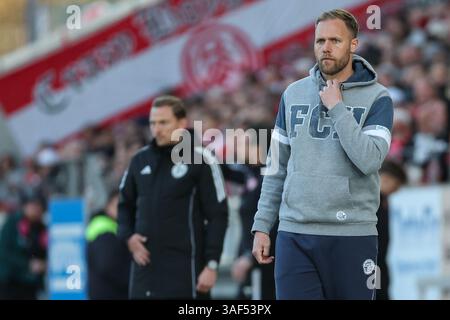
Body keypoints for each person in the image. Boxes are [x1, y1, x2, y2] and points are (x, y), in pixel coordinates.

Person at [252, 9, 394, 300]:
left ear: (353, 45)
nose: (325, 48)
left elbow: (369, 160)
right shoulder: (292, 94)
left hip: (352, 235)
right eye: (320, 41)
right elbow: (276, 166)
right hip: (294, 233)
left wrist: (337, 108)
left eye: (335, 40)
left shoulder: (378, 98)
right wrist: (262, 226)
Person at [118, 95, 228, 299]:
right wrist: (127, 237)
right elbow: (124, 206)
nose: (156, 129)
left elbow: (218, 215)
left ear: (182, 123)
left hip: (186, 270)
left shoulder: (201, 159)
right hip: (145, 270)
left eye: (163, 122)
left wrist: (212, 264)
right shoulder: (139, 160)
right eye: (152, 123)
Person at [230, 123, 276, 300]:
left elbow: (274, 222)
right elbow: (223, 170)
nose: (240, 148)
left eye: (246, 143)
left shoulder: (271, 179)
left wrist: (248, 256)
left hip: (265, 262)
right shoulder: (252, 174)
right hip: (249, 259)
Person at [0, 191, 48, 300]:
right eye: (33, 205)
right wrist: (28, 264)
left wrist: (43, 264)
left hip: (30, 285)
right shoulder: (13, 223)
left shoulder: (41, 228)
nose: (36, 209)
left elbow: (43, 250)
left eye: (39, 205)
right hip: (10, 282)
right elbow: (4, 252)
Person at [86, 190, 131, 300]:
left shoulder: (106, 225)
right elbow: (107, 265)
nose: (121, 210)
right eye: (117, 206)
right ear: (108, 206)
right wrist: (130, 281)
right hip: (110, 292)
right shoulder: (105, 228)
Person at [376, 160, 407, 300]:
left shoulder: (384, 201)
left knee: (382, 291)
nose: (397, 190)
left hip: (381, 263)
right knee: (375, 294)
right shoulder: (371, 202)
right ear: (386, 178)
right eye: (397, 185)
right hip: (372, 264)